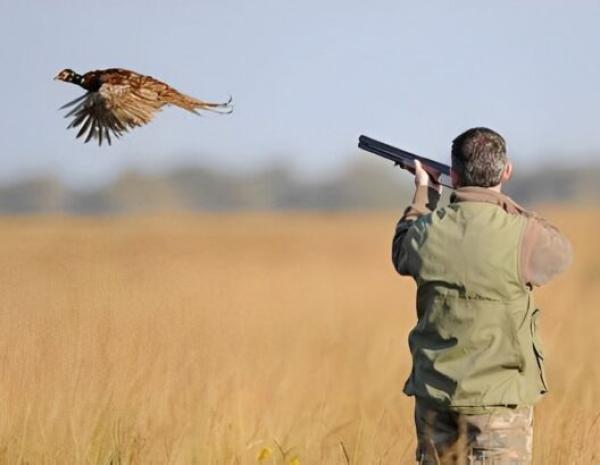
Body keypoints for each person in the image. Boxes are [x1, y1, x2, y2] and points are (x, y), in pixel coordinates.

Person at [392, 127, 573, 464]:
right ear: (506, 171)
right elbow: (561, 251)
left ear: (454, 174)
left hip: (436, 398)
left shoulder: (427, 232)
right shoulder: (523, 234)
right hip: (500, 403)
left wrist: (423, 193)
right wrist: (502, 203)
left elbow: (402, 249)